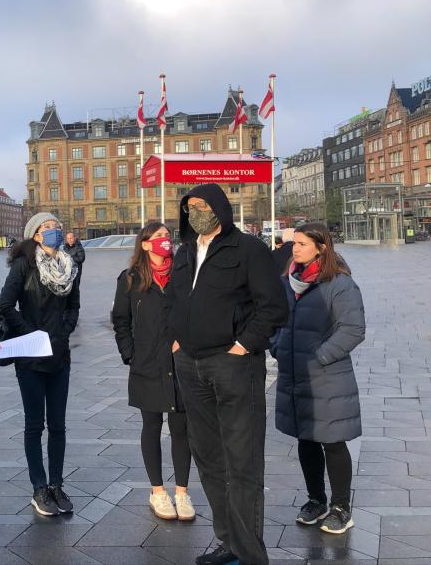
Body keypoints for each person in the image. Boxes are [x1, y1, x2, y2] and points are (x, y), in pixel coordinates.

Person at [165, 183, 288, 565]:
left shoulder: (249, 249)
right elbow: (173, 297)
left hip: (232, 364)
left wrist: (243, 346)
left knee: (242, 460)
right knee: (208, 456)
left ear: (219, 207)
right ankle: (230, 542)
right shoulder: (186, 252)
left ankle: (251, 555)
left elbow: (273, 306)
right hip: (190, 364)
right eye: (189, 207)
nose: (195, 212)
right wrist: (176, 339)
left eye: (202, 205)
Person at [272, 223, 364, 535]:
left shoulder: (339, 283)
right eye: (293, 244)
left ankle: (341, 507)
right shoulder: (288, 281)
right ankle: (316, 500)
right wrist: (278, 346)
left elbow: (353, 329)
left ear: (321, 247)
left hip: (327, 377)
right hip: (294, 375)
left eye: (300, 244)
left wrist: (319, 356)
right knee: (306, 438)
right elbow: (275, 319)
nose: (294, 249)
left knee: (333, 441)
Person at [0, 212, 80, 517]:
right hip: (31, 355)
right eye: (47, 228)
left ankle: (57, 484)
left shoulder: (70, 265)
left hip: (60, 354)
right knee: (35, 425)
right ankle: (39, 488)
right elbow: (6, 304)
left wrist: (64, 330)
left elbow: (74, 304)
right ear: (35, 235)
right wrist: (31, 334)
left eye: (57, 227)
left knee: (58, 425)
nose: (54, 231)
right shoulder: (23, 265)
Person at [112, 222, 195, 522]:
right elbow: (120, 321)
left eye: (167, 237)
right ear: (145, 244)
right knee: (151, 425)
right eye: (158, 237)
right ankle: (157, 491)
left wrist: (184, 341)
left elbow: (196, 313)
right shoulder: (131, 279)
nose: (165, 241)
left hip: (181, 364)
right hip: (146, 363)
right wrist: (129, 353)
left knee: (181, 429)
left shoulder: (184, 276)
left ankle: (182, 492)